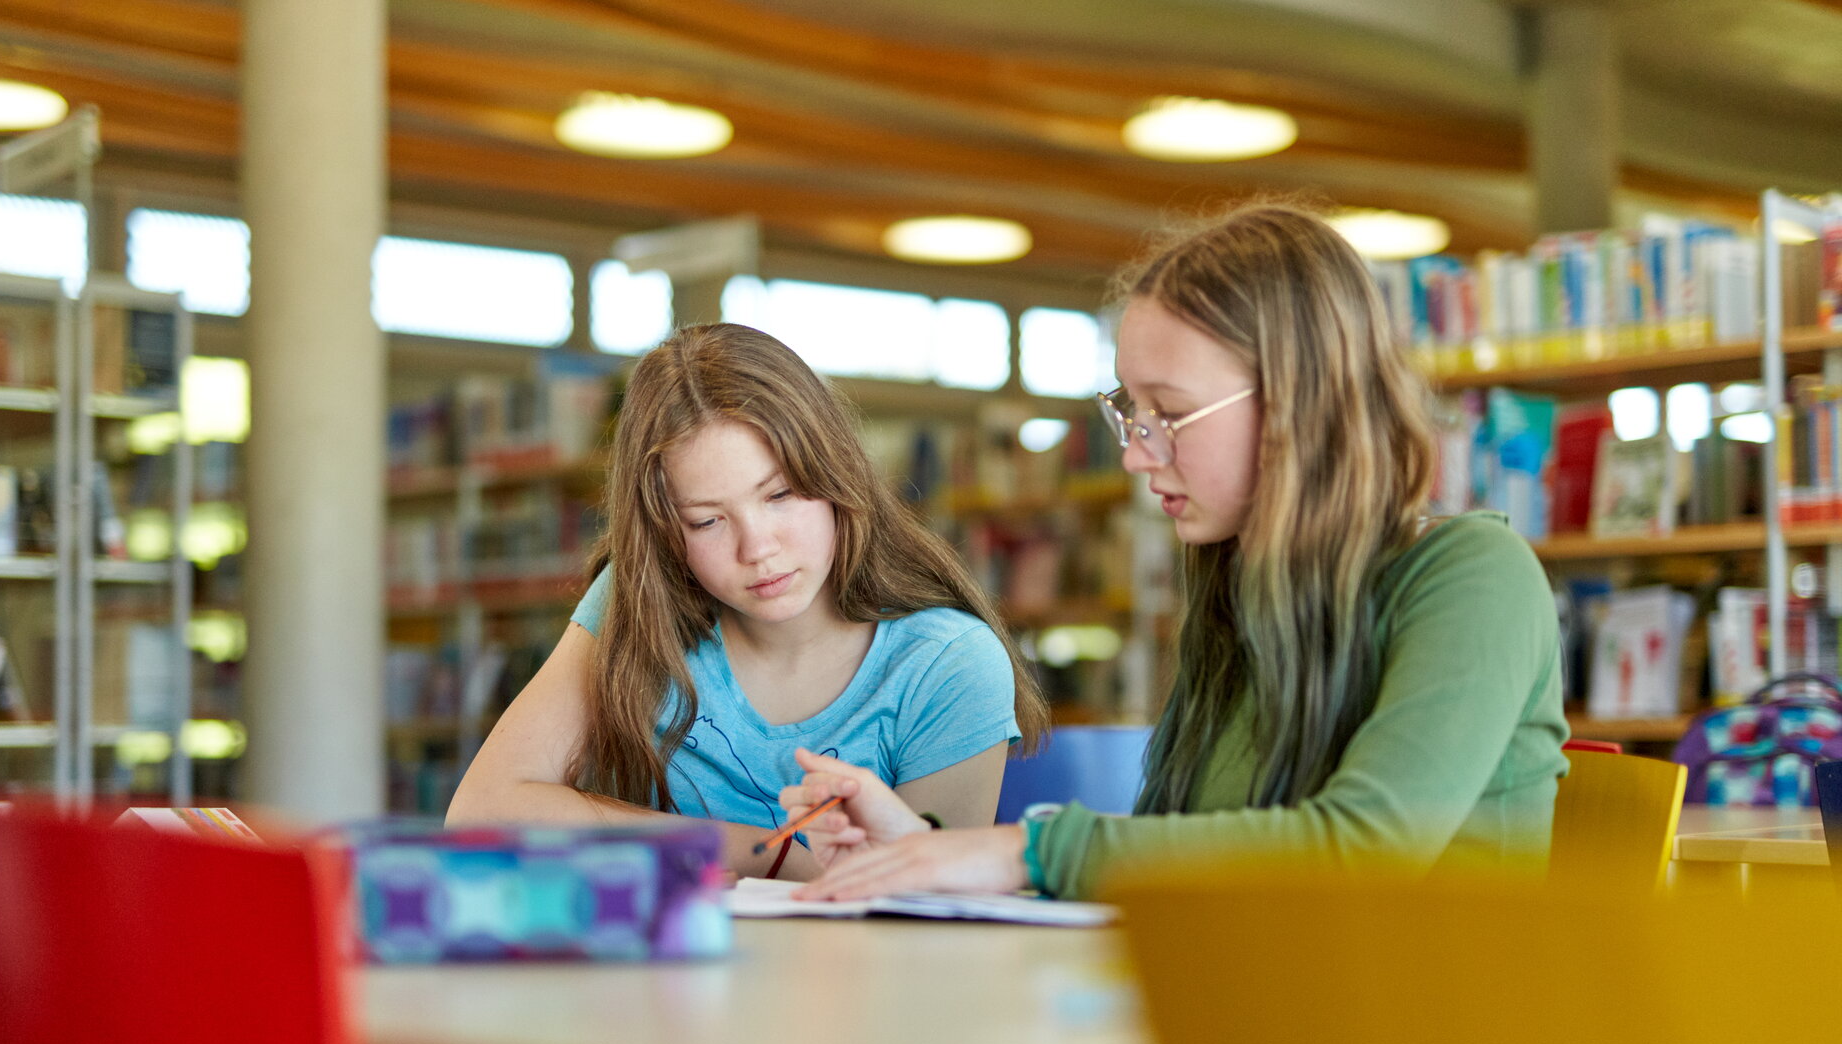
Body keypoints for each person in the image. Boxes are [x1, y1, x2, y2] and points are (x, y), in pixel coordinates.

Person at [786, 201, 1570, 902]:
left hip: (1429, 1043)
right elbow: (1182, 854)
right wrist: (929, 852)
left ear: (1298, 399)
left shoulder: (1476, 577)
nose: (1136, 453)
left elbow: (1365, 849)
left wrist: (1022, 850)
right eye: (1132, 412)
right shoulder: (1238, 589)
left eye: (1171, 413)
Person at [448, 322, 1048, 881]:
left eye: (781, 494)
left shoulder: (948, 662)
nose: (758, 548)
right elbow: (482, 811)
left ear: (838, 473)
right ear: (663, 535)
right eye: (708, 521)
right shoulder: (637, 603)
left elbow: (937, 914)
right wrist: (777, 853)